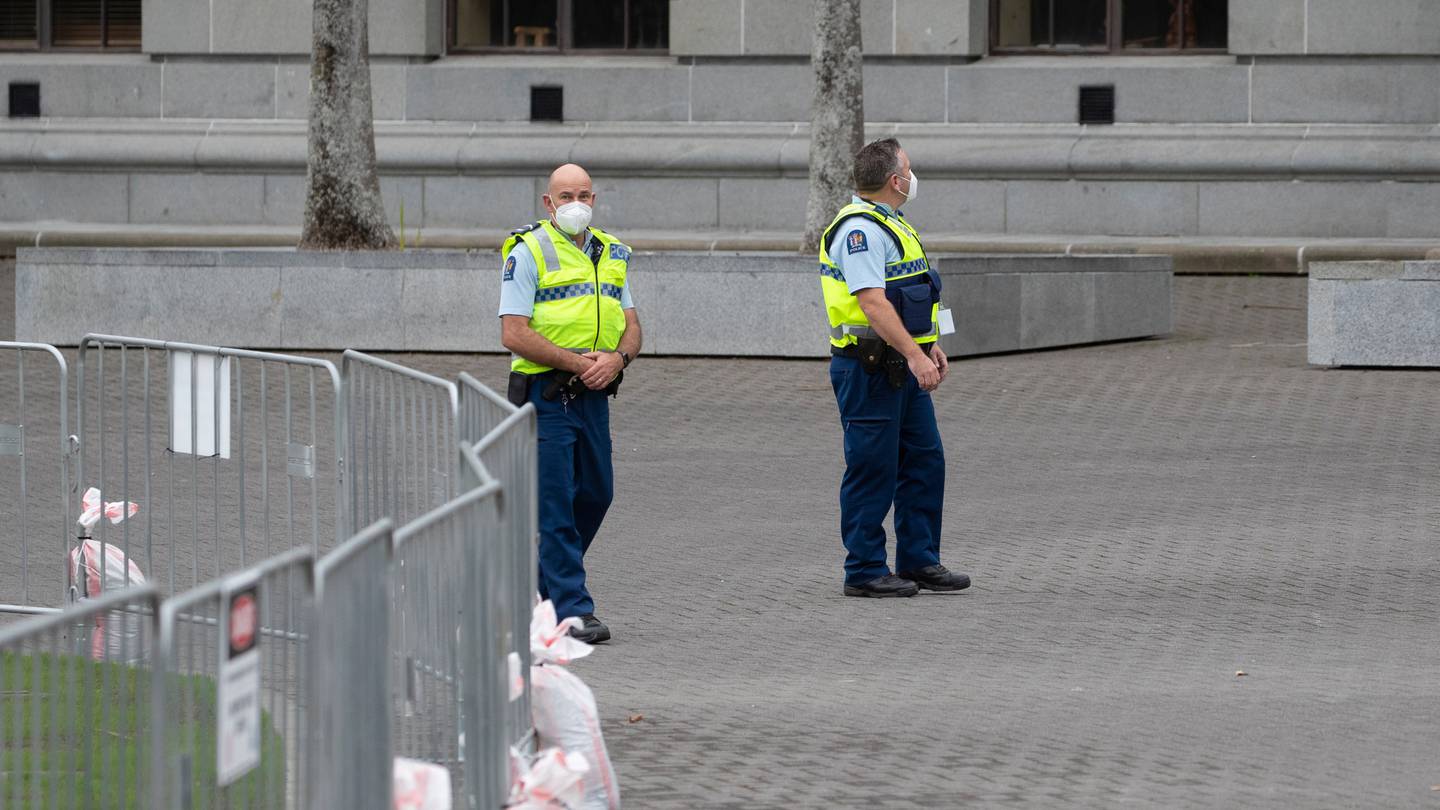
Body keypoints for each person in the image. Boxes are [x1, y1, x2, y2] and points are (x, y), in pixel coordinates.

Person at [817, 138, 972, 598]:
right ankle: (864, 569)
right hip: (870, 369)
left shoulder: (893, 224)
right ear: (894, 180)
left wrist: (930, 344)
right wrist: (913, 353)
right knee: (872, 468)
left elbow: (916, 292)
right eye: (908, 168)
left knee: (925, 463)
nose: (912, 175)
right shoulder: (858, 231)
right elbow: (873, 303)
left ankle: (920, 561)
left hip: (902, 364)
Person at [499, 163, 642, 643]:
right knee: (555, 506)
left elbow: (632, 323)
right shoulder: (529, 250)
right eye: (565, 196)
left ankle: (533, 593)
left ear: (594, 198)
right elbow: (513, 333)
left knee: (597, 494)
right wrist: (580, 363)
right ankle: (571, 610)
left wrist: (618, 358)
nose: (575, 203)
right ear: (548, 203)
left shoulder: (612, 252)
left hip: (594, 395)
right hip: (545, 393)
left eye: (583, 194)